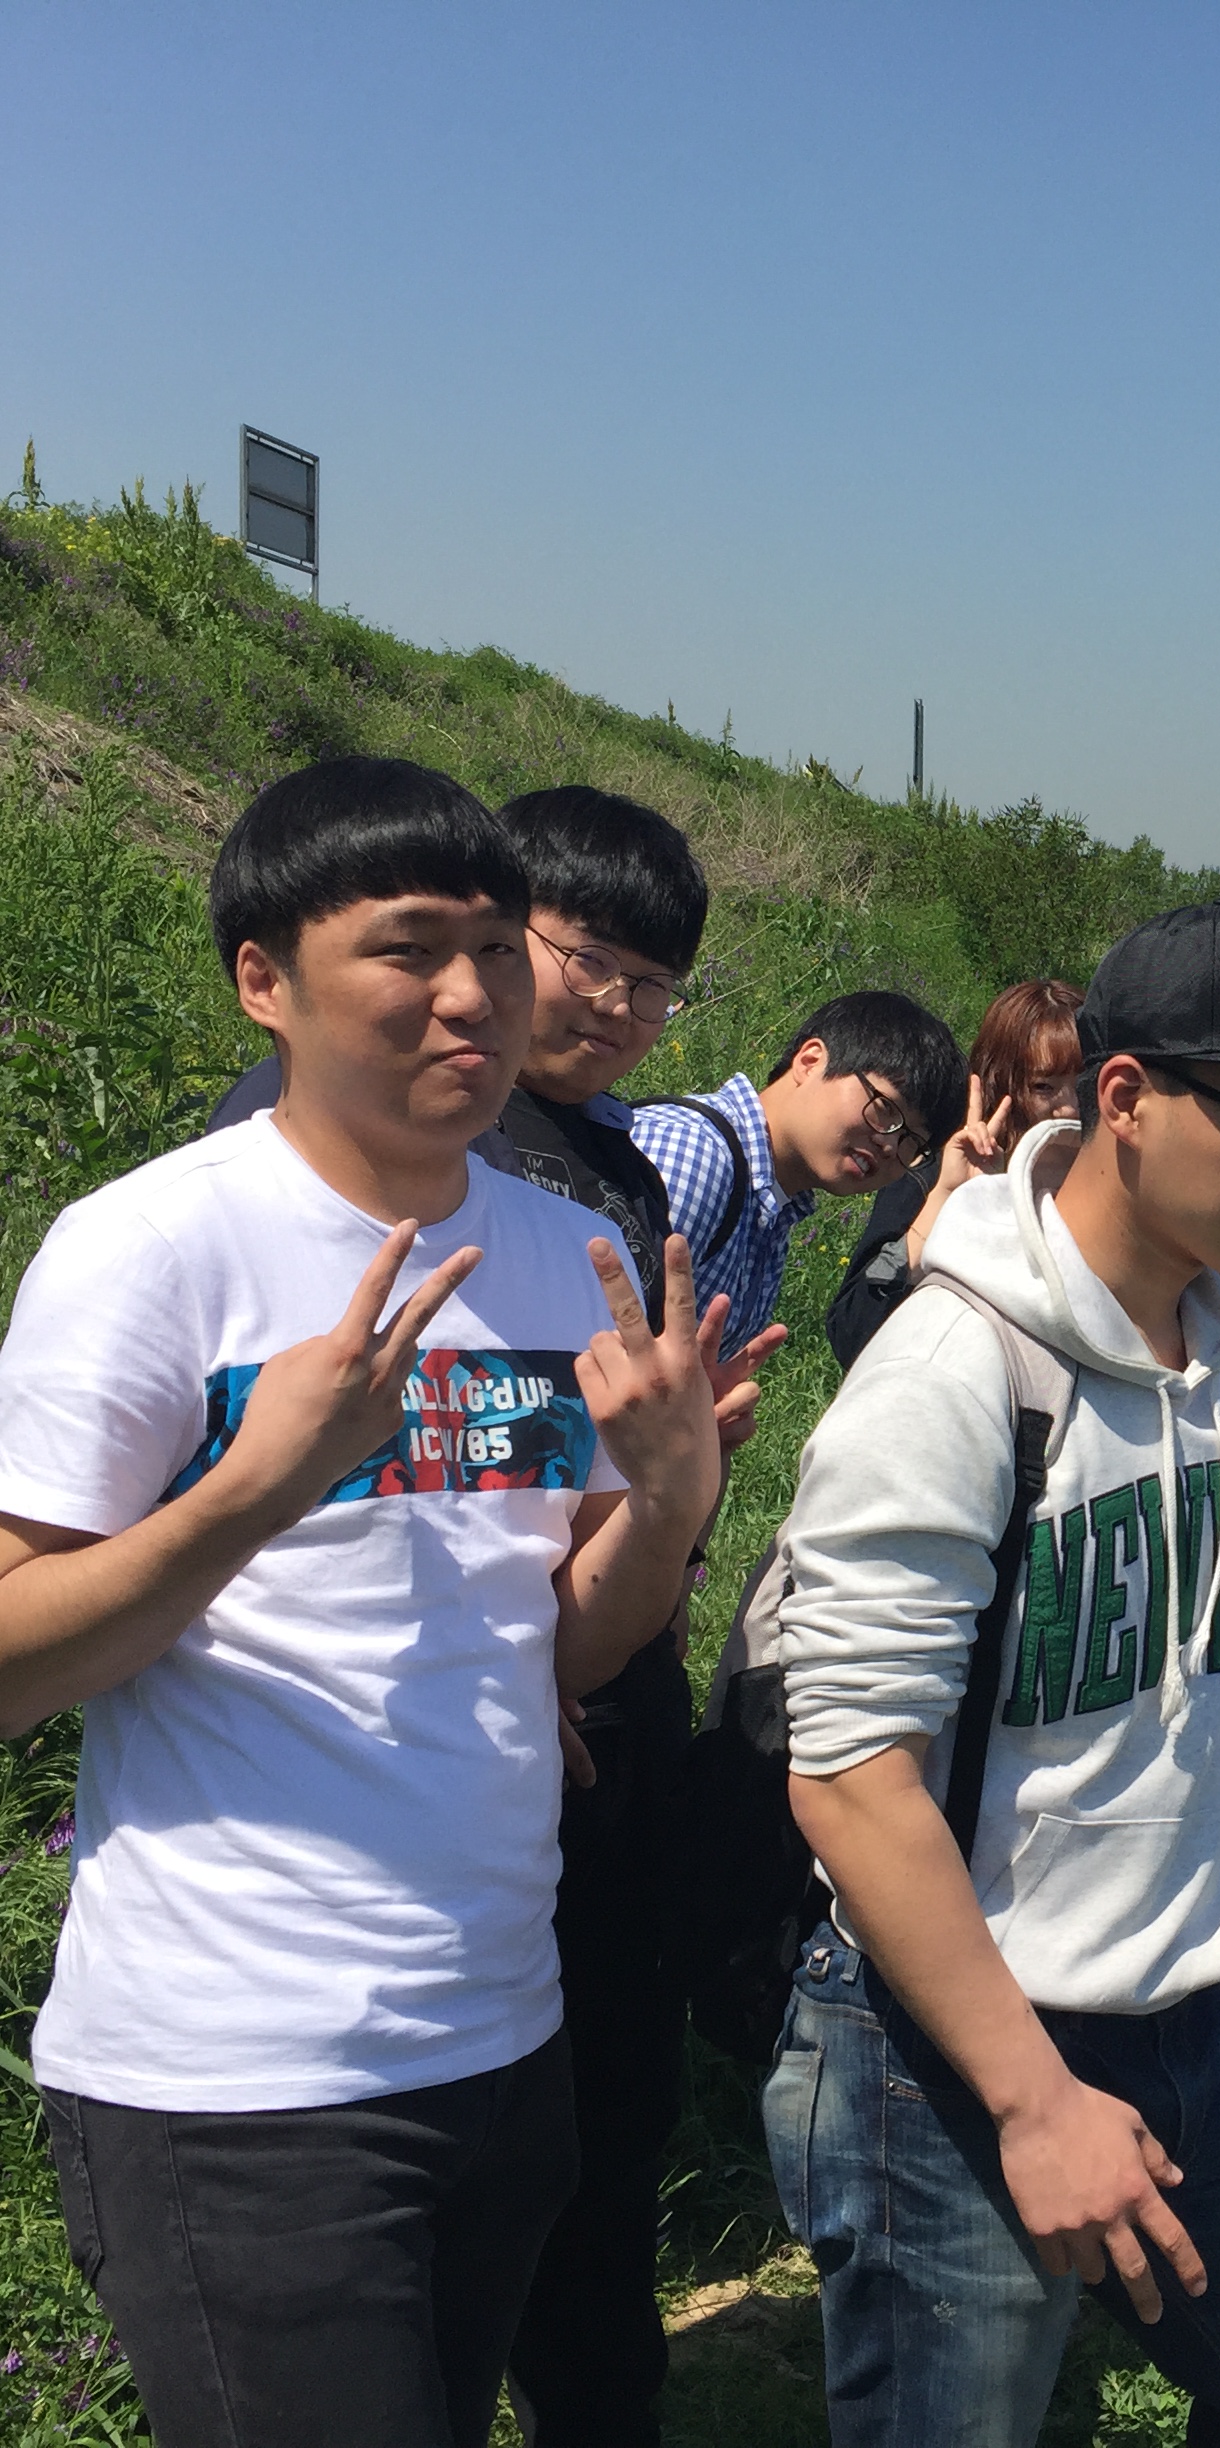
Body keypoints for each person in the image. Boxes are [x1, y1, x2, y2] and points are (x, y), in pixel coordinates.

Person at [0, 756, 724, 2448]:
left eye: (497, 947)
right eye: (409, 948)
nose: (473, 995)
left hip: (499, 2030)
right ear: (264, 978)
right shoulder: (153, 1248)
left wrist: (670, 1498)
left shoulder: (558, 1257)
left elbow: (566, 1639)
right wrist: (259, 1481)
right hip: (244, 2078)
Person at [763, 903, 1220, 2448]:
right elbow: (850, 1779)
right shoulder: (954, 1374)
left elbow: (1217, 1668)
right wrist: (1033, 2098)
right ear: (1125, 1098)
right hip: (952, 2048)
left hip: (1188, 2014)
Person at [209, 781, 781, 2448]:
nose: (605, 1005)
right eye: (581, 957)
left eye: (652, 984)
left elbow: (546, 1501)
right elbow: (316, 1506)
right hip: (348, 1861)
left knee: (586, 2152)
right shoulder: (286, 1179)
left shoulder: (590, 1186)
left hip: (570, 1745)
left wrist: (666, 1478)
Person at [630, 991, 964, 1363]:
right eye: (885, 1109)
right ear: (810, 1061)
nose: (890, 1144)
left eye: (911, 1141)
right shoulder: (697, 1158)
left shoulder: (769, 1208)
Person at [826, 978, 1086, 1372]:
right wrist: (946, 1201)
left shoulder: (1115, 1186)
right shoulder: (940, 1171)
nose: (1069, 1108)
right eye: (1044, 1086)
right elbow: (852, 1332)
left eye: (1083, 1082)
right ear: (1003, 1080)